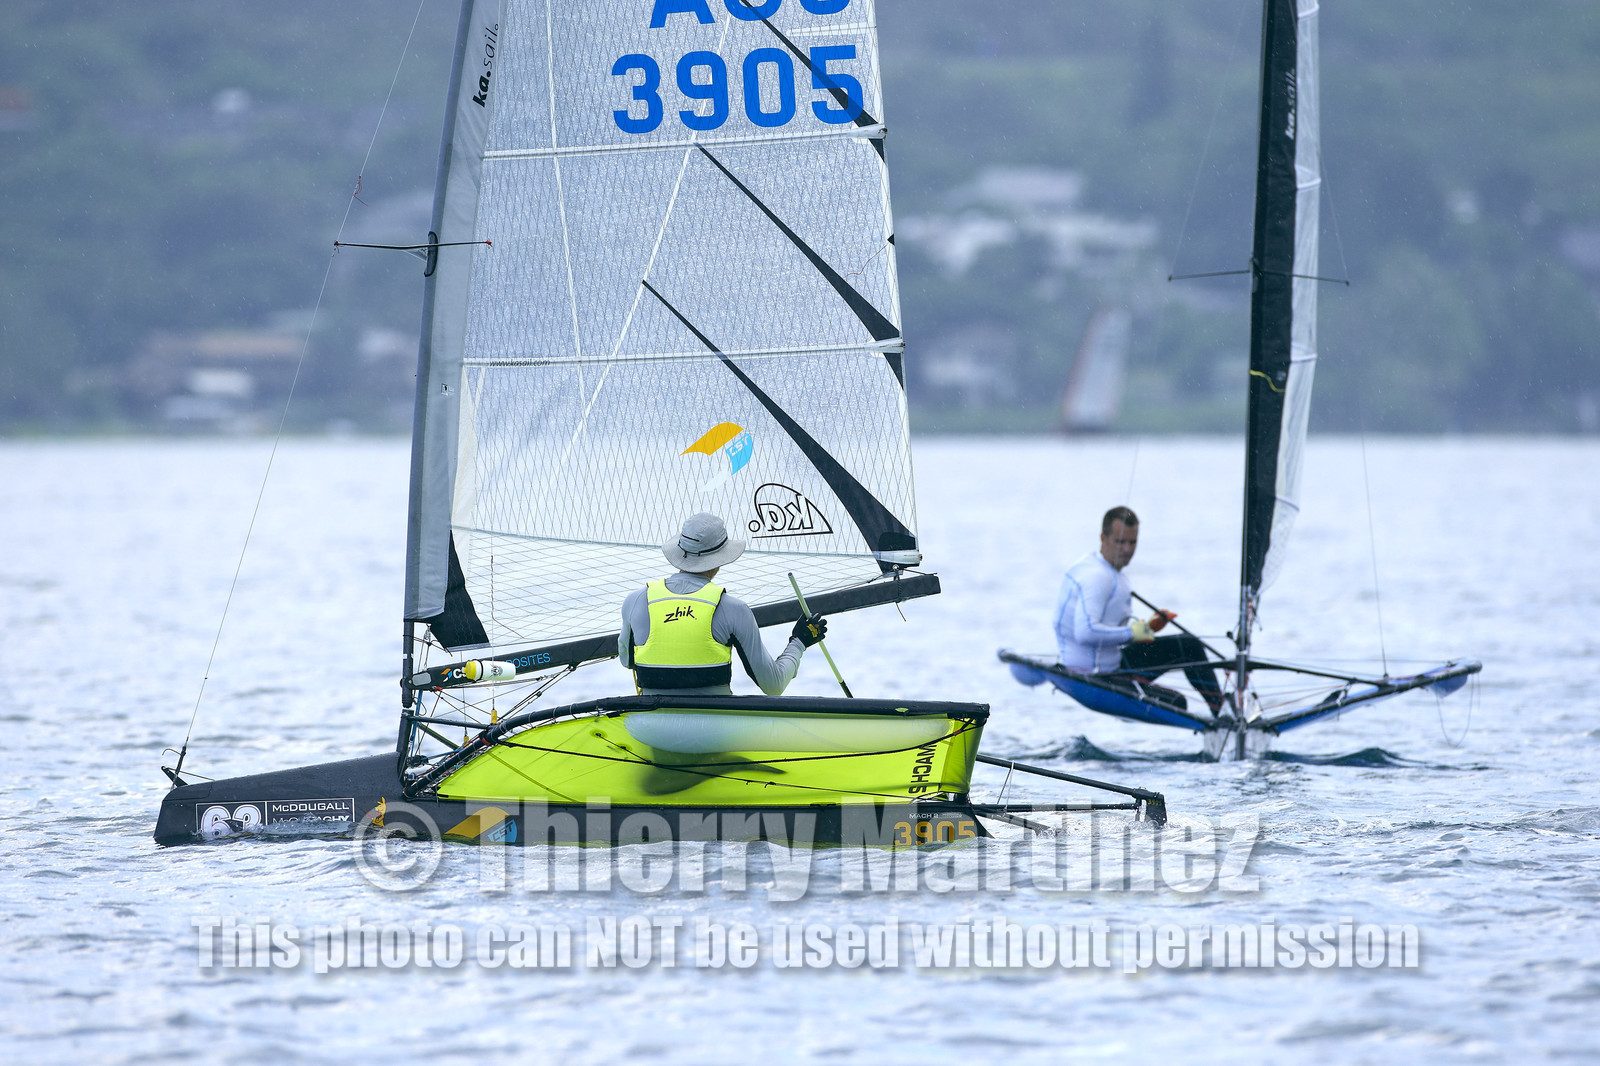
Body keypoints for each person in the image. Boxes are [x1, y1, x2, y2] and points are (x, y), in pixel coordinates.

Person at [619, 512, 827, 696]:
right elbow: (773, 685)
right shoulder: (734, 610)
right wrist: (800, 641)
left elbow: (627, 661)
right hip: (715, 724)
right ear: (721, 558)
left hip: (649, 722)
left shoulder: (635, 600)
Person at [1054, 506, 1225, 715]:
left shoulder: (1100, 568)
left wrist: (1148, 628)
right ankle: (1223, 714)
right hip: (1097, 678)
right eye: (1120, 542)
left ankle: (1222, 710)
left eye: (1132, 542)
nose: (1127, 549)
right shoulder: (1098, 577)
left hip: (1112, 663)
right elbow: (1085, 632)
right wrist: (1132, 632)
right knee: (1177, 703)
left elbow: (1108, 632)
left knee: (1188, 645)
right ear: (1103, 538)